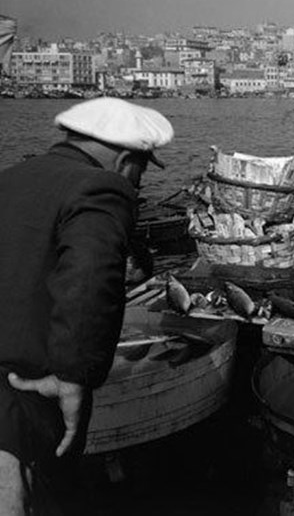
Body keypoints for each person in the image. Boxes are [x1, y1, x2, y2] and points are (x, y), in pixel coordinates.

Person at [0, 97, 174, 514]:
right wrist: (73, 376)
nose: (137, 185)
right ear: (126, 160)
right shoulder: (102, 187)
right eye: (142, 171)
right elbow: (88, 277)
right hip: (25, 400)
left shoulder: (10, 178)